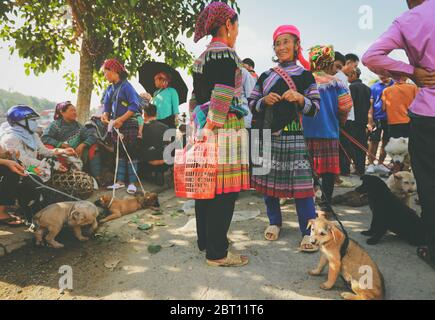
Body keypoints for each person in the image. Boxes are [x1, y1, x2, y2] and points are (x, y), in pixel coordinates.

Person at [362, 0, 435, 270]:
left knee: (429, 188)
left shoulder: (408, 20)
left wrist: (412, 71)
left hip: (426, 116)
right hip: (410, 119)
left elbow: (371, 56)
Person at [189, 2, 250, 267]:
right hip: (222, 128)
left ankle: (207, 240)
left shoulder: (201, 58)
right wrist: (211, 127)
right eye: (236, 26)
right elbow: (223, 95)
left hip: (204, 125)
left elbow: (194, 99)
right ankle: (217, 253)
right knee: (224, 190)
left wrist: (199, 128)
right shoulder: (226, 54)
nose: (237, 32)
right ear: (228, 25)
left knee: (206, 186)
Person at [250, 25, 320, 252]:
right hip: (268, 134)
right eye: (278, 44)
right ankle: (274, 221)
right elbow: (252, 103)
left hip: (293, 135)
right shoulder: (266, 76)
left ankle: (308, 230)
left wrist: (300, 98)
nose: (281, 47)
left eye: (286, 42)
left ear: (296, 45)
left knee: (302, 186)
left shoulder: (306, 75)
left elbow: (315, 108)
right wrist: (263, 101)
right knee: (269, 184)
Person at [303, 45, 353, 216]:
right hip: (329, 132)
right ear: (329, 63)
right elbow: (345, 106)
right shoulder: (337, 83)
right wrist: (341, 121)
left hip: (306, 133)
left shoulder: (304, 81)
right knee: (329, 171)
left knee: (307, 170)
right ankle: (325, 206)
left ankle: (307, 204)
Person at [101, 58, 141, 195]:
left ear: (114, 71)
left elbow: (134, 106)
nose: (104, 75)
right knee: (119, 153)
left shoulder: (126, 86)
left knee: (131, 153)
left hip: (129, 124)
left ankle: (132, 183)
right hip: (116, 125)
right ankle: (119, 182)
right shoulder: (109, 89)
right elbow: (106, 106)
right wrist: (105, 116)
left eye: (106, 72)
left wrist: (122, 120)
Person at [42, 101, 101, 180]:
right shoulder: (55, 125)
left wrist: (82, 145)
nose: (74, 113)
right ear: (62, 112)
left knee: (94, 147)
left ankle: (97, 177)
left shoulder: (78, 126)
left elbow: (92, 137)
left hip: (76, 154)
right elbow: (45, 138)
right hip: (61, 155)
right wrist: (61, 145)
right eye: (71, 110)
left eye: (75, 110)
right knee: (48, 147)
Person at [366, 75, 394, 174]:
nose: (382, 76)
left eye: (384, 73)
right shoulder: (374, 87)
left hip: (390, 118)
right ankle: (370, 163)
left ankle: (380, 164)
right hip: (377, 118)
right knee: (373, 141)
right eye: (379, 73)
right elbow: (370, 105)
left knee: (386, 141)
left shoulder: (395, 85)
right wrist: (370, 120)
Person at [348, 68, 372, 175]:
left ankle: (351, 168)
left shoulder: (351, 87)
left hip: (352, 121)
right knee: (361, 145)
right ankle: (360, 168)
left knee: (350, 145)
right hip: (363, 121)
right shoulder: (367, 88)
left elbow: (349, 105)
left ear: (353, 75)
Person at [140, 104, 170, 185]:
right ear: (156, 114)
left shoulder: (142, 127)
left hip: (148, 163)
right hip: (165, 163)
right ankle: (160, 171)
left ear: (144, 114)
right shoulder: (166, 127)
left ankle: (147, 173)